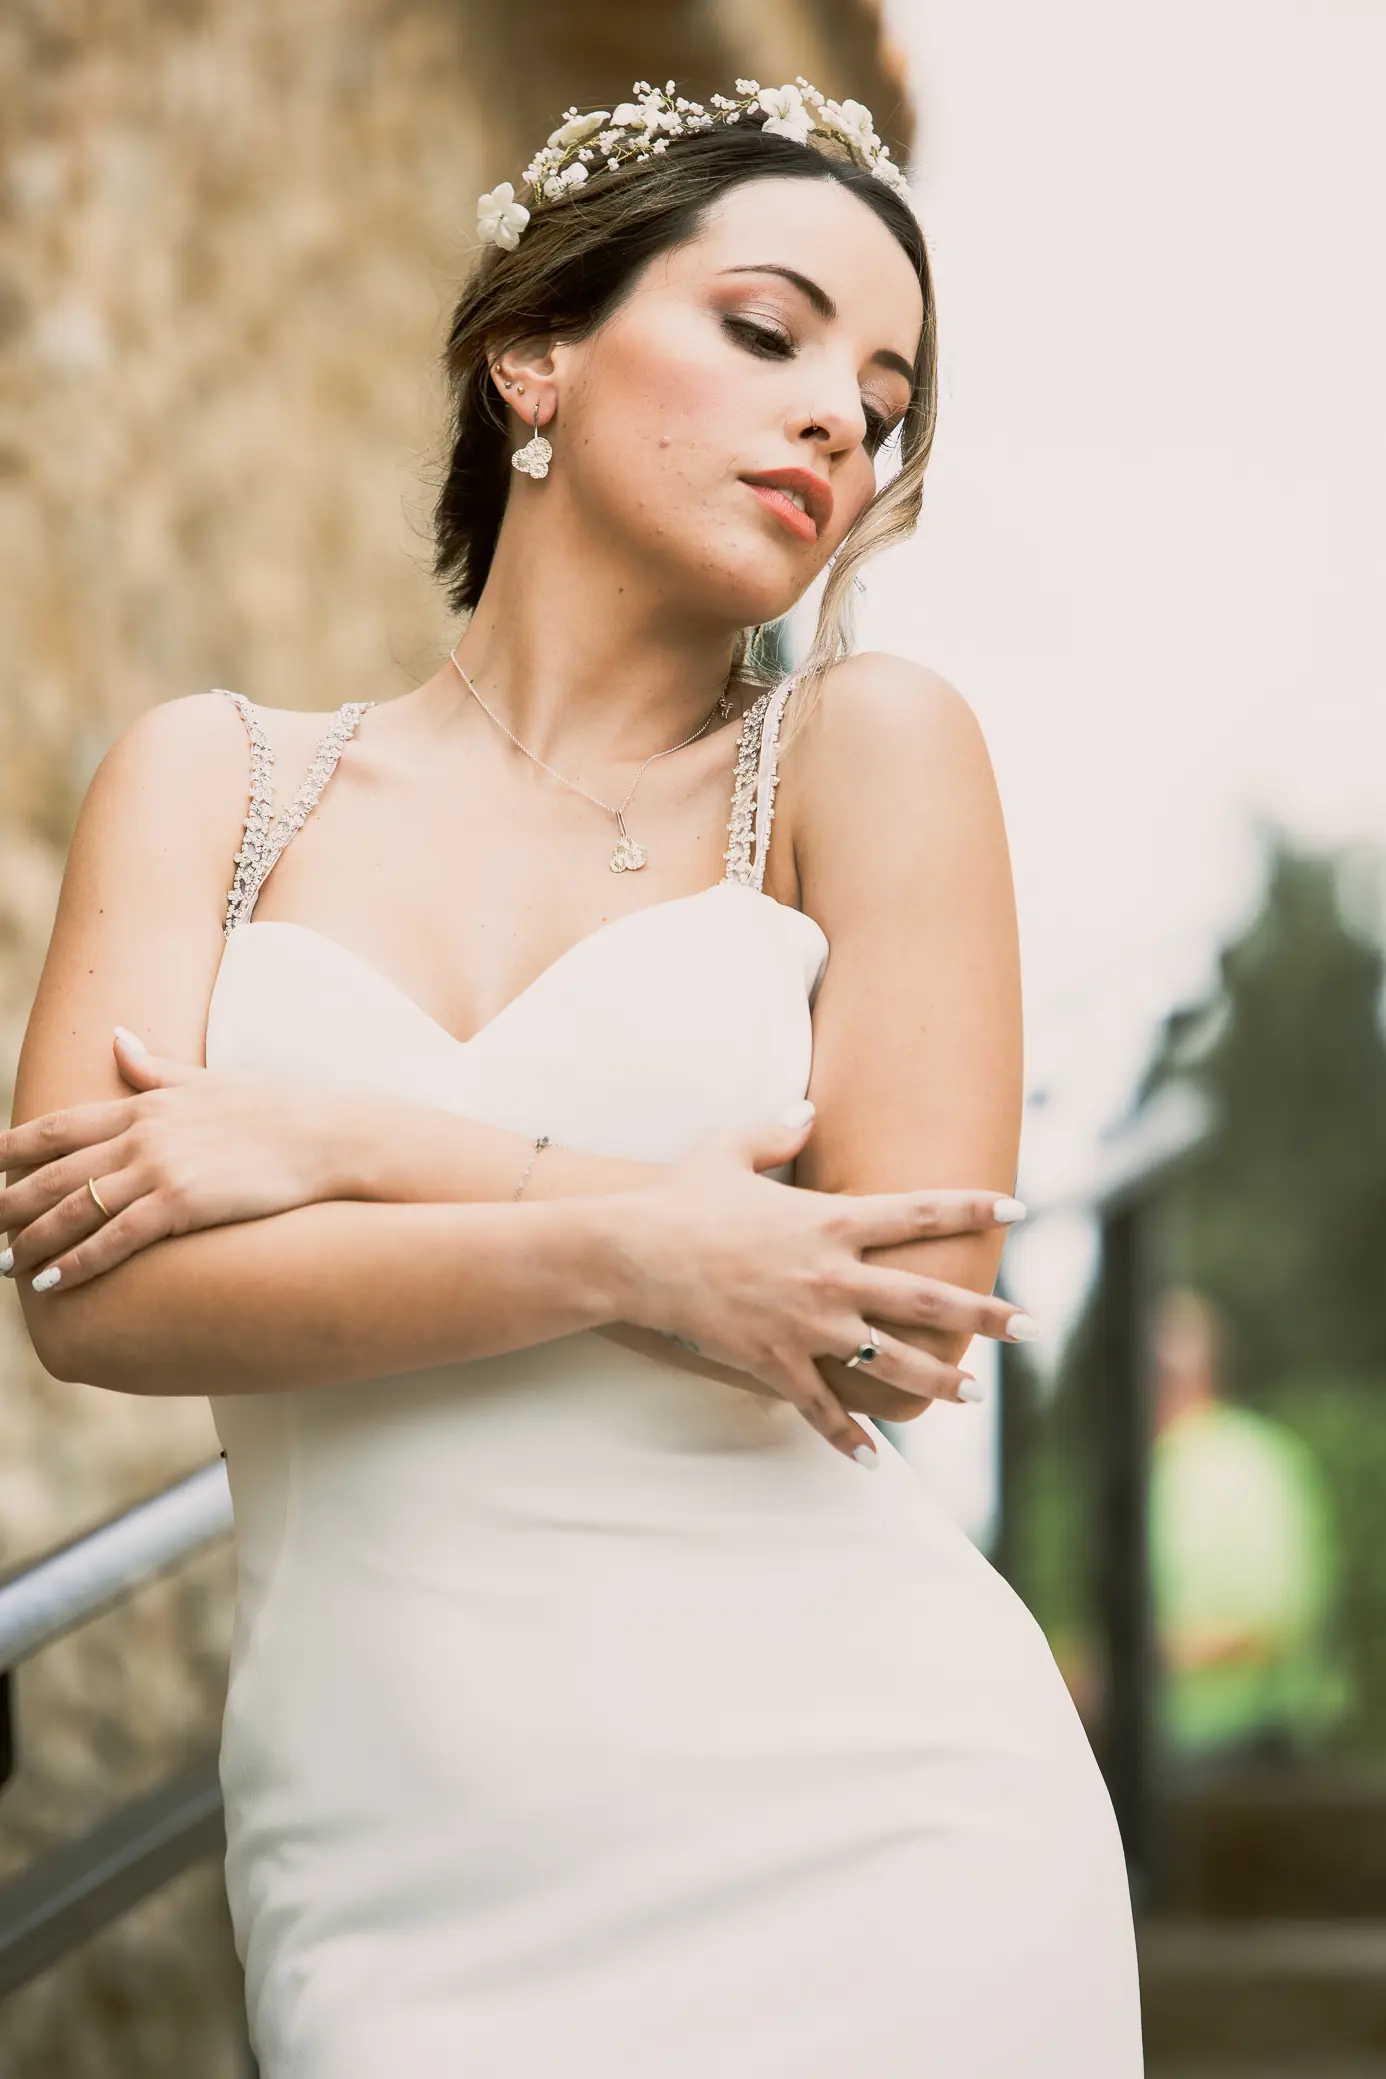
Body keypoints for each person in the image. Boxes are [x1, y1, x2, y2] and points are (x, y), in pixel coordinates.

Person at [0, 78, 1142, 2076]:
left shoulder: (866, 758)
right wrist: (643, 1242)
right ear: (535, 353)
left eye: (884, 400)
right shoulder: (214, 781)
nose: (837, 423)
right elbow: (96, 1291)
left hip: (880, 1830)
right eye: (766, 330)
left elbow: (889, 1322)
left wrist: (337, 1138)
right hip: (401, 1856)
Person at [1151, 1288, 1347, 1761]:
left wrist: (1127, 1665)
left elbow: (1267, 1630)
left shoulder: (1251, 1461)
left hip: (1243, 1761)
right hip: (1166, 1760)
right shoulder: (1154, 1469)